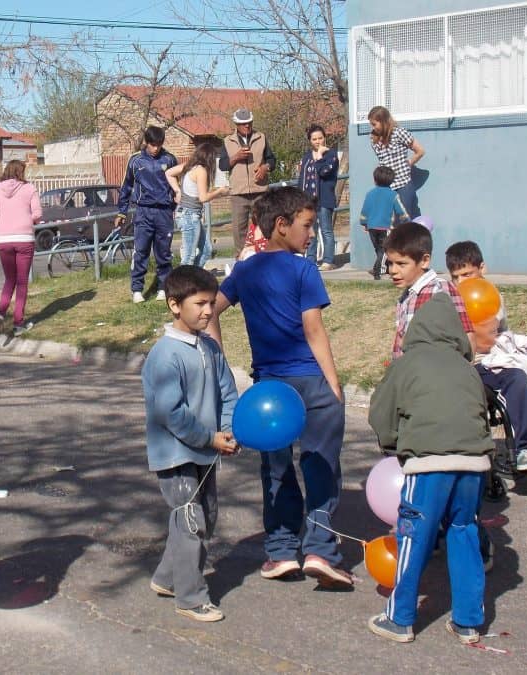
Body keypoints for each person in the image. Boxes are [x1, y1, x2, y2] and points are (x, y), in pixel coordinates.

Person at [207, 187, 351, 587]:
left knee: (277, 471)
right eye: (306, 226)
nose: (310, 234)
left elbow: (211, 311)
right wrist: (334, 383)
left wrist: (220, 356)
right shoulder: (304, 269)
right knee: (321, 467)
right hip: (311, 383)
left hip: (270, 390)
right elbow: (313, 329)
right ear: (281, 226)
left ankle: (282, 551)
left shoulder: (244, 271)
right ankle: (321, 551)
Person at [366, 293, 492, 644]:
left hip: (428, 461)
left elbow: (381, 413)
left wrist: (394, 445)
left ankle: (400, 617)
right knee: (463, 529)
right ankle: (468, 621)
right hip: (473, 463)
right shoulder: (467, 368)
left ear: (416, 328)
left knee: (414, 534)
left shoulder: (407, 364)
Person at [142, 265, 239, 622]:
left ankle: (168, 578)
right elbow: (171, 412)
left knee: (205, 517)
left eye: (211, 303)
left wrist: (229, 431)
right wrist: (208, 437)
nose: (208, 311)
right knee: (190, 520)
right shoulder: (165, 355)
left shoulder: (210, 348)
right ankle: (191, 597)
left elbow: (228, 393)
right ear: (174, 305)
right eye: (199, 303)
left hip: (207, 450)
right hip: (175, 454)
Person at [446, 241, 527, 471]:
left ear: (482, 268)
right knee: (516, 378)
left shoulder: (491, 295)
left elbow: (501, 333)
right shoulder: (452, 301)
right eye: (455, 277)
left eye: (467, 274)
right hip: (474, 365)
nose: (461, 282)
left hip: (499, 359)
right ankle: (524, 448)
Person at [384, 223, 474, 360]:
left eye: (401, 264)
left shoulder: (440, 290)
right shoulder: (406, 296)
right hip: (409, 374)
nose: (393, 271)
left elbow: (467, 335)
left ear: (424, 261)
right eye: (390, 263)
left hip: (434, 375)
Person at [116, 126, 178, 303]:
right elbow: (126, 186)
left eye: (159, 144)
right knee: (141, 251)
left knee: (163, 253)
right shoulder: (135, 161)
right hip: (143, 211)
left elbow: (176, 187)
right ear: (146, 142)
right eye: (152, 144)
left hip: (164, 212)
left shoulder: (170, 159)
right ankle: (137, 289)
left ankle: (163, 288)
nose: (155, 148)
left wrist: (172, 208)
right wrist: (121, 212)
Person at [0, 159, 41, 336]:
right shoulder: (29, 189)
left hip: (3, 239)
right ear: (20, 172)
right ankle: (18, 323)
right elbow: (38, 214)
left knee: (10, 279)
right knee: (22, 282)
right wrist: (30, 221)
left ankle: (1, 314)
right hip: (24, 238)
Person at [219, 108, 275, 256]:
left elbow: (272, 160)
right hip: (238, 193)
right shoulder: (227, 141)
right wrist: (235, 157)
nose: (247, 126)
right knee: (239, 229)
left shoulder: (261, 137)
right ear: (236, 124)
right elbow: (222, 165)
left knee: (264, 225)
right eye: (243, 124)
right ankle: (241, 260)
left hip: (260, 191)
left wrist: (265, 167)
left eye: (249, 123)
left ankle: (265, 257)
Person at [165, 143, 229, 268]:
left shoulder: (189, 167)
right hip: (189, 216)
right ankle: (182, 284)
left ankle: (193, 277)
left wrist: (178, 190)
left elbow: (168, 173)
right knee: (188, 257)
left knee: (206, 250)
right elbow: (203, 197)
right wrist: (220, 192)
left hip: (188, 214)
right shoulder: (201, 171)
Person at [367, 106, 424, 219]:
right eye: (371, 124)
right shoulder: (373, 138)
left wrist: (409, 163)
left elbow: (420, 151)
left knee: (404, 220)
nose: (372, 127)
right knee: (388, 221)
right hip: (386, 186)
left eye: (374, 124)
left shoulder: (399, 133)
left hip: (403, 185)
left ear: (383, 121)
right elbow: (382, 161)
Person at [298, 124, 339, 271]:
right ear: (310, 140)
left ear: (325, 138)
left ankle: (329, 260)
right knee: (310, 231)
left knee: (326, 230)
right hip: (309, 201)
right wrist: (300, 199)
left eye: (320, 138)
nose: (318, 141)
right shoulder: (307, 157)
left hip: (325, 199)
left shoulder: (331, 155)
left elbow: (324, 172)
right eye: (314, 139)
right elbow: (302, 178)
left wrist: (321, 156)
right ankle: (311, 259)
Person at [360, 166, 409, 281]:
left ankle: (381, 267)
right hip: (385, 227)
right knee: (385, 249)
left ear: (375, 180)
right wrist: (406, 221)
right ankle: (378, 269)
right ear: (392, 181)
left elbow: (365, 210)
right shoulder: (393, 195)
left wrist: (364, 223)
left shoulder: (370, 194)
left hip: (372, 227)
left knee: (378, 249)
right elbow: (401, 210)